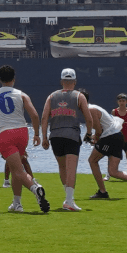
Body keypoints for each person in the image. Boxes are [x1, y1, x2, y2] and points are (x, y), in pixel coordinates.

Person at [0, 65, 50, 213]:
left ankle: (36, 188)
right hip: (22, 133)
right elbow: (34, 115)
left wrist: (1, 122)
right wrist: (37, 134)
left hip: (4, 134)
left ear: (0, 79)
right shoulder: (22, 95)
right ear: (14, 79)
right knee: (16, 169)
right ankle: (17, 203)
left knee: (18, 171)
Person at [40, 68, 91, 211]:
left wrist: (44, 137)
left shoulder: (51, 96)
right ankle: (69, 200)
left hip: (55, 136)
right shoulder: (79, 96)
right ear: (75, 82)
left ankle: (68, 198)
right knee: (71, 169)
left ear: (61, 81)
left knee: (62, 167)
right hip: (72, 135)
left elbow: (44, 118)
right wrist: (89, 133)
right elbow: (88, 118)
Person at [84, 90, 127, 200]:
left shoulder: (90, 110)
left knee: (92, 161)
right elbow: (102, 128)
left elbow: (99, 130)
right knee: (113, 171)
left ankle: (102, 192)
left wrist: (93, 138)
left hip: (110, 137)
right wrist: (93, 137)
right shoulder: (93, 108)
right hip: (117, 136)